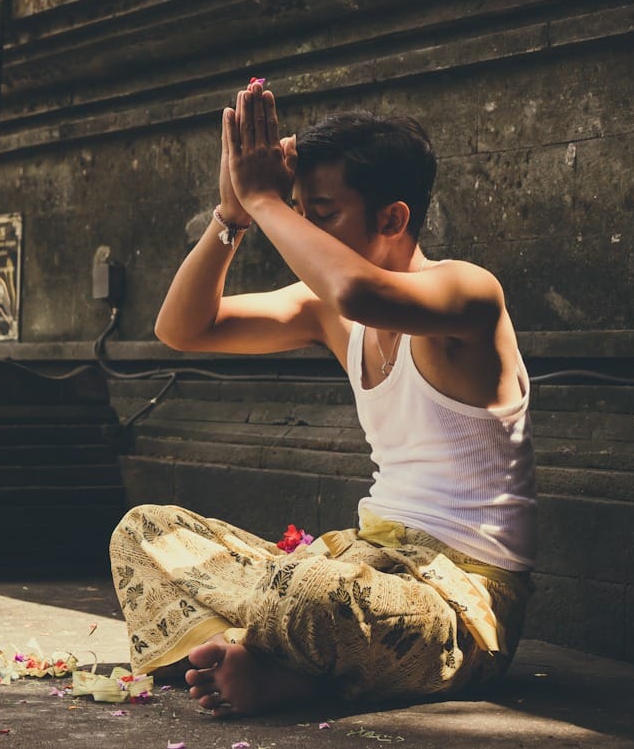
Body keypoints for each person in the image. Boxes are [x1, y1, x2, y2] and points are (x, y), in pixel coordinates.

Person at [108, 81, 537, 718]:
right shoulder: (327, 310)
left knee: (312, 590)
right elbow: (182, 328)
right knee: (145, 532)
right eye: (299, 212)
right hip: (355, 558)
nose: (302, 233)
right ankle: (264, 659)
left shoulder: (468, 293)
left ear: (393, 218)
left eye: (323, 214)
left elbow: (358, 293)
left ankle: (263, 660)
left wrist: (263, 197)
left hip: (453, 608)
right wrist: (233, 217)